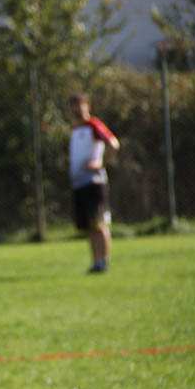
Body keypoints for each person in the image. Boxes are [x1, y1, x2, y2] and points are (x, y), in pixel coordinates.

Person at [68, 92, 120, 273]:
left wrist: (100, 163)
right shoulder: (75, 130)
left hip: (94, 182)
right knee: (90, 225)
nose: (77, 109)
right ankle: (96, 262)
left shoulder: (94, 125)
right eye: (74, 105)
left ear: (87, 106)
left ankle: (104, 261)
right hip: (79, 183)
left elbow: (113, 144)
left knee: (99, 223)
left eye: (80, 104)